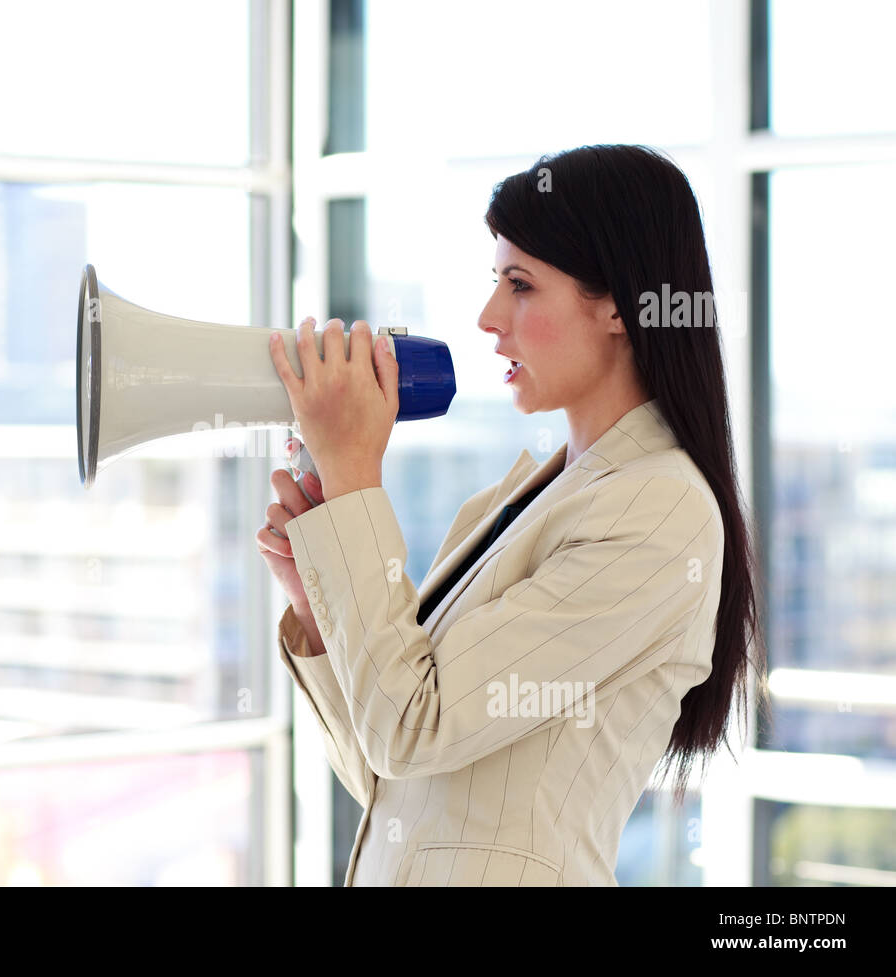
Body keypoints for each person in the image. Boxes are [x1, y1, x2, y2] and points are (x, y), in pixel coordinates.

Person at [257, 144, 769, 886]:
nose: (489, 316)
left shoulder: (661, 512)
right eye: (495, 281)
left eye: (520, 284)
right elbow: (392, 774)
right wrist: (319, 603)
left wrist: (354, 473)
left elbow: (410, 726)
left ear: (620, 305)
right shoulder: (518, 499)